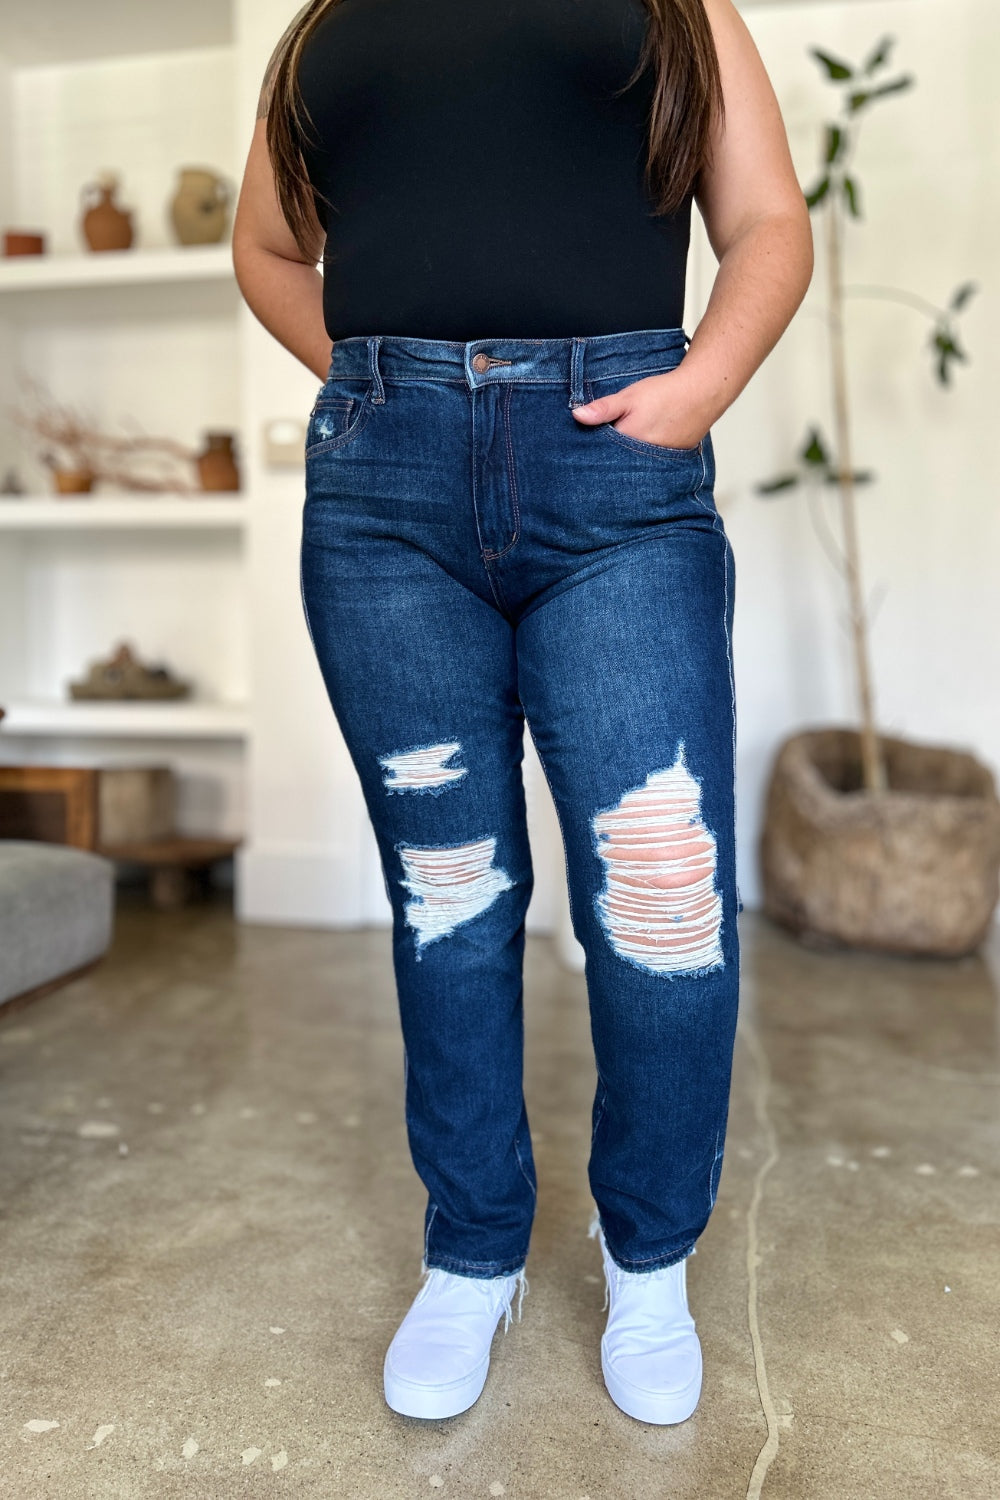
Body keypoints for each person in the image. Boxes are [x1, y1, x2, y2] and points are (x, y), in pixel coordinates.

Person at [233, 0, 812, 1427]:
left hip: (614, 476)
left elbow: (770, 224)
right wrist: (386, 394)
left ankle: (651, 1254)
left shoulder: (676, 6)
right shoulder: (325, 27)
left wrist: (701, 387)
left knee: (662, 898)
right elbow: (266, 248)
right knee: (449, 893)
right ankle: (475, 1247)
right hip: (387, 504)